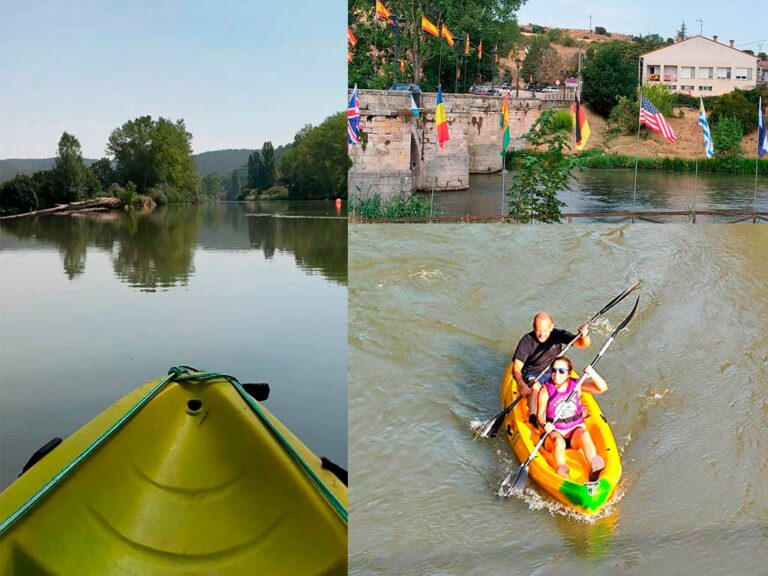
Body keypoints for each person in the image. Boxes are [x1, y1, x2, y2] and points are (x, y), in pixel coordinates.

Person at [511, 312, 590, 426]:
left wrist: (584, 335)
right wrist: (521, 383)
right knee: (535, 385)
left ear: (551, 327)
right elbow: (516, 369)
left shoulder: (558, 334)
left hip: (554, 372)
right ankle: (533, 416)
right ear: (534, 327)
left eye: (545, 330)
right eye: (538, 330)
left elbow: (583, 344)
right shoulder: (527, 341)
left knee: (573, 385)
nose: (542, 334)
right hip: (533, 374)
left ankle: (575, 410)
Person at [536, 356, 607, 481]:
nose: (556, 374)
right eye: (554, 370)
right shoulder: (545, 390)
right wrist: (544, 425)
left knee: (584, 433)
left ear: (568, 374)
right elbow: (540, 415)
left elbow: (602, 388)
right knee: (559, 442)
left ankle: (594, 467)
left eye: (561, 371)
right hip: (555, 433)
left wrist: (592, 374)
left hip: (575, 433)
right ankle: (562, 471)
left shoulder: (576, 385)